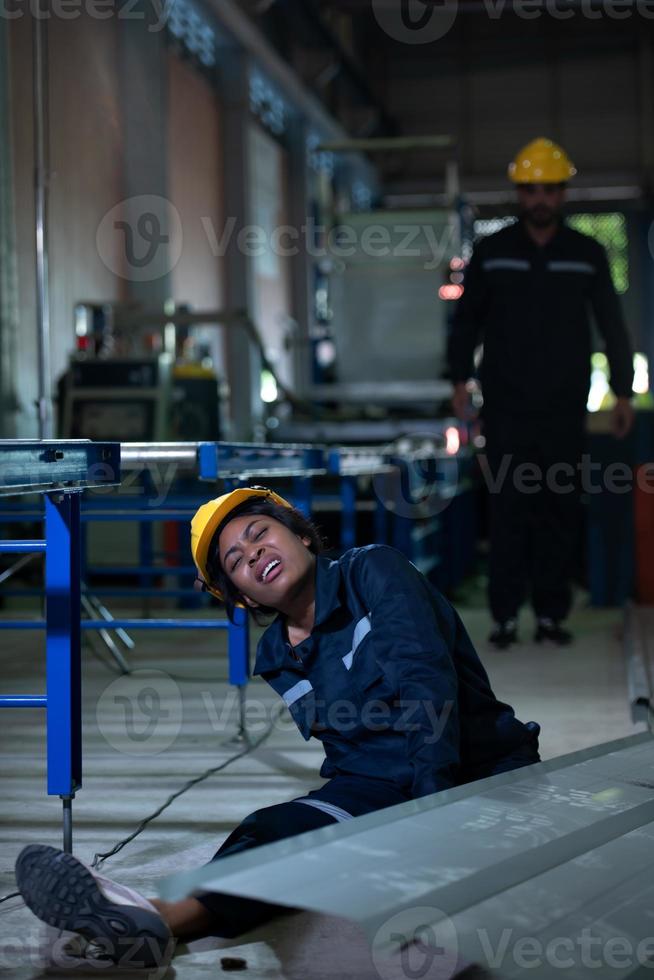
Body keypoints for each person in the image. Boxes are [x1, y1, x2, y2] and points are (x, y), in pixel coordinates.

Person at [15, 486, 541, 968]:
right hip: (377, 787)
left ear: (301, 535)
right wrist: (328, 820)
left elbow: (428, 684)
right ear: (241, 597)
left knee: (430, 878)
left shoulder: (375, 572)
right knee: (272, 831)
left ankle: (147, 914)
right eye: (236, 562)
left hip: (477, 768)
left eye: (259, 534)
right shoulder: (277, 655)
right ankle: (155, 920)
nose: (255, 555)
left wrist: (432, 808)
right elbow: (349, 749)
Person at [448, 137, 634, 650]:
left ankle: (551, 615)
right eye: (531, 189)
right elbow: (466, 323)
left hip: (563, 407)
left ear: (562, 192)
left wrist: (623, 393)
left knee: (558, 508)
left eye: (549, 189)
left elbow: (612, 326)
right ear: (519, 192)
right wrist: (459, 380)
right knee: (508, 508)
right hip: (505, 409)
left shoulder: (587, 254)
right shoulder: (492, 252)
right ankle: (505, 617)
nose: (540, 199)